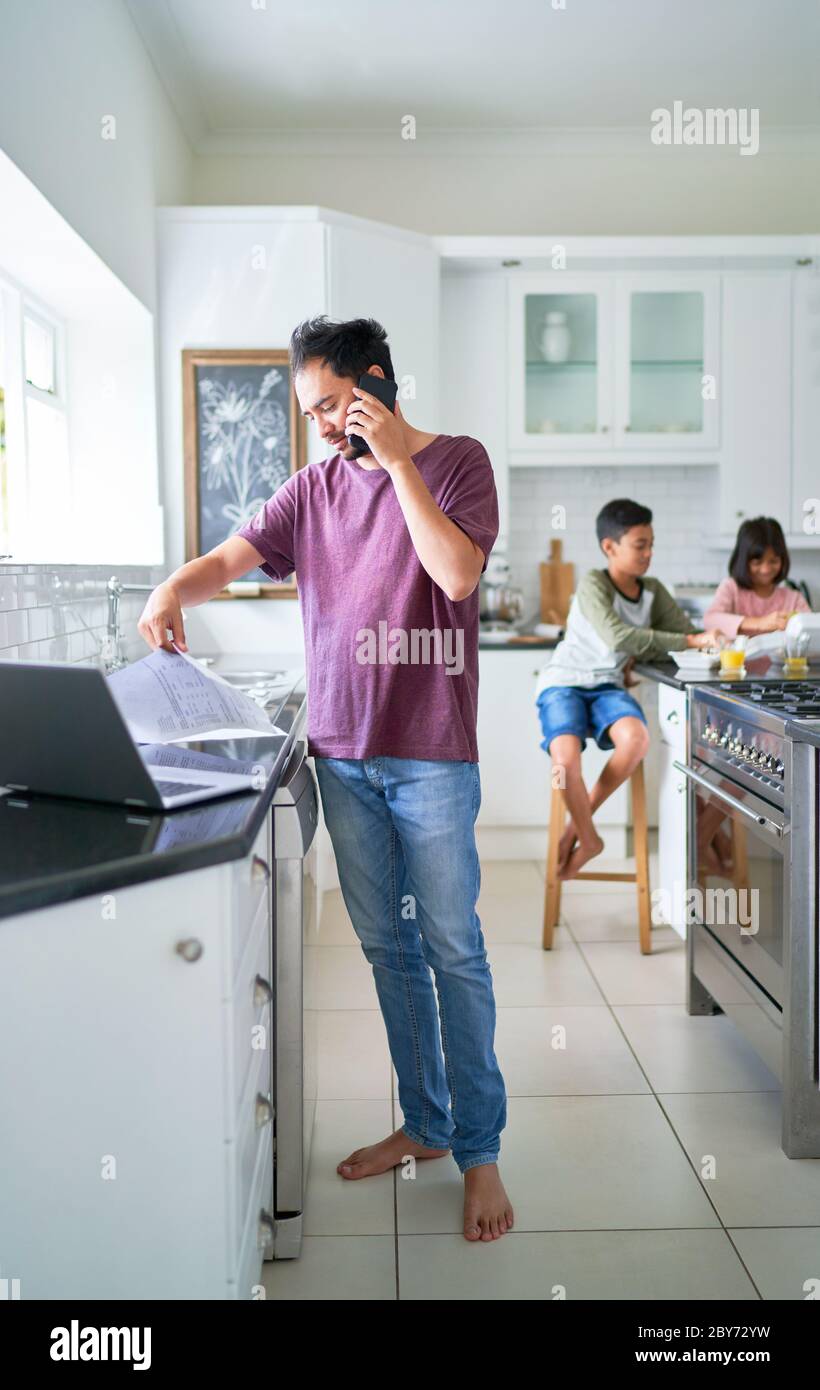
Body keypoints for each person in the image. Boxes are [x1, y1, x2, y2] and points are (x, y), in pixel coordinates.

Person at [137, 316, 512, 1242]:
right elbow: (232, 557)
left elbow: (456, 576)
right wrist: (169, 590)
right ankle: (425, 1124)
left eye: (328, 407)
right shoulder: (310, 490)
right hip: (342, 755)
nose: (318, 427)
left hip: (429, 756)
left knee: (453, 953)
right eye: (308, 412)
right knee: (389, 952)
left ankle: (481, 1152)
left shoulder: (458, 461)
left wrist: (397, 465)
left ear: (374, 385)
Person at [535, 499, 721, 880]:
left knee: (636, 739)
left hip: (608, 687)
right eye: (640, 545)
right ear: (610, 547)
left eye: (652, 544)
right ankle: (589, 838)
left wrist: (692, 639)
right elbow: (619, 636)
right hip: (564, 683)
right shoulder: (592, 583)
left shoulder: (653, 591)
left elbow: (685, 632)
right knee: (566, 762)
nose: (649, 554)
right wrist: (691, 640)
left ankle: (576, 829)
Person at [703, 516, 811, 639]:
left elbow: (812, 634)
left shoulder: (793, 599)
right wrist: (760, 623)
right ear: (743, 561)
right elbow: (710, 620)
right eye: (757, 562)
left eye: (773, 561)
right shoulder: (731, 588)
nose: (766, 570)